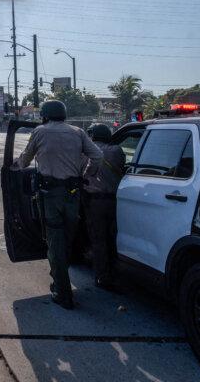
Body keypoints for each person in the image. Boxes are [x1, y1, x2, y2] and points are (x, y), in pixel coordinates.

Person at [16, 100, 102, 309]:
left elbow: (25, 159)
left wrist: (14, 166)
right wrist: (85, 174)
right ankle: (62, 280)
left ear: (45, 114)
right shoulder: (78, 132)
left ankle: (62, 292)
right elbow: (97, 156)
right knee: (67, 237)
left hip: (50, 195)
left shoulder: (40, 131)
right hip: (73, 194)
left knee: (54, 241)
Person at [83, 123, 126, 291]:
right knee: (112, 238)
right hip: (115, 201)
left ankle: (102, 277)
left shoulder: (88, 152)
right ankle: (115, 272)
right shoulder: (117, 151)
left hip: (95, 202)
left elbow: (83, 173)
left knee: (98, 240)